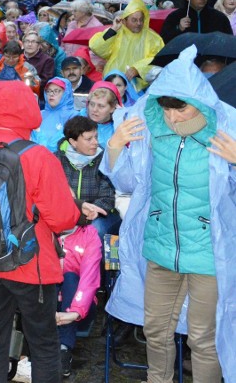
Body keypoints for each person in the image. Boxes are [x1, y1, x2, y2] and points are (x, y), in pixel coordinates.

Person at [0, 80, 105, 383]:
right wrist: (78, 212)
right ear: (27, 110)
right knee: (43, 344)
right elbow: (60, 219)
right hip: (31, 264)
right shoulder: (38, 156)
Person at [101, 46, 236, 382]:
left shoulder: (225, 132)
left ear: (200, 100)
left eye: (182, 108)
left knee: (203, 339)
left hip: (207, 256)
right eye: (166, 108)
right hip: (161, 251)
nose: (173, 117)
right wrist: (116, 145)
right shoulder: (152, 129)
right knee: (156, 332)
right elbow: (130, 183)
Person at [57, 116, 119, 239]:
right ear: (73, 142)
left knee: (95, 230)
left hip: (100, 214)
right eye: (89, 139)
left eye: (96, 137)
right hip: (68, 212)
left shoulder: (104, 160)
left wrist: (92, 211)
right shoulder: (57, 160)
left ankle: (96, 259)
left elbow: (109, 196)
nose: (95, 142)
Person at [55, 222, 102, 378]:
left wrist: (76, 311)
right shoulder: (43, 229)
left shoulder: (89, 235)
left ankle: (64, 348)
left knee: (70, 277)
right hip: (49, 303)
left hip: (80, 308)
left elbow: (90, 278)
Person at [89, 0, 164, 89]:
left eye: (141, 19)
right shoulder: (116, 32)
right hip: (113, 83)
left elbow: (157, 59)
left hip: (140, 87)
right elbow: (97, 48)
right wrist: (113, 29)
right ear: (124, 20)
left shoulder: (153, 38)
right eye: (134, 20)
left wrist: (138, 68)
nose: (139, 23)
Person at [160, 0, 234, 43]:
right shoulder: (174, 17)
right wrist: (178, 28)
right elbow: (163, 41)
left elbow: (229, 42)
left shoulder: (219, 18)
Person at [32, 77, 77, 150]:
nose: (51, 94)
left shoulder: (73, 116)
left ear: (66, 93)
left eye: (56, 91)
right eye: (49, 91)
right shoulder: (39, 114)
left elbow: (62, 142)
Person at [84, 81, 122, 149]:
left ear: (113, 108)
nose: (94, 109)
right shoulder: (78, 119)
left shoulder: (118, 128)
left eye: (101, 106)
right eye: (92, 104)